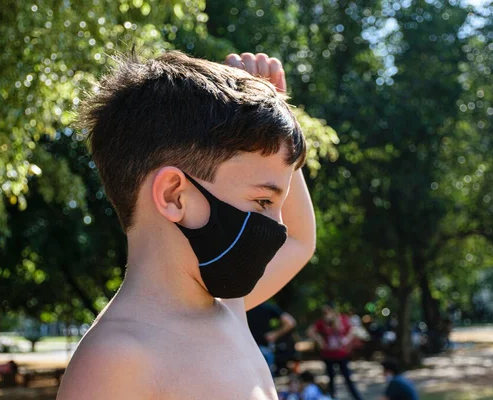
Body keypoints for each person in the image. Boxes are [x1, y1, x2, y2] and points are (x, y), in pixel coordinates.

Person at [56, 50, 316, 400]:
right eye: (263, 202)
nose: (278, 227)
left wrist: (274, 114)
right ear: (175, 196)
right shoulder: (115, 363)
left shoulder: (227, 302)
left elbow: (300, 240)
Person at [307, 304, 363, 400]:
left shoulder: (342, 319)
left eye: (328, 311)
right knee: (331, 379)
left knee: (347, 378)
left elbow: (353, 330)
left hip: (341, 355)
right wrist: (319, 340)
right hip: (328, 355)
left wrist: (346, 339)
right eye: (324, 313)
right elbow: (310, 331)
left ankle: (358, 398)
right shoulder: (321, 323)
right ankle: (332, 397)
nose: (327, 314)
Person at [247, 302, 297, 374]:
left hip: (250, 349)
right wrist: (275, 334)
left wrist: (275, 334)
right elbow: (290, 322)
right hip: (262, 349)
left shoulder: (242, 307)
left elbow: (290, 322)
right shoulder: (267, 306)